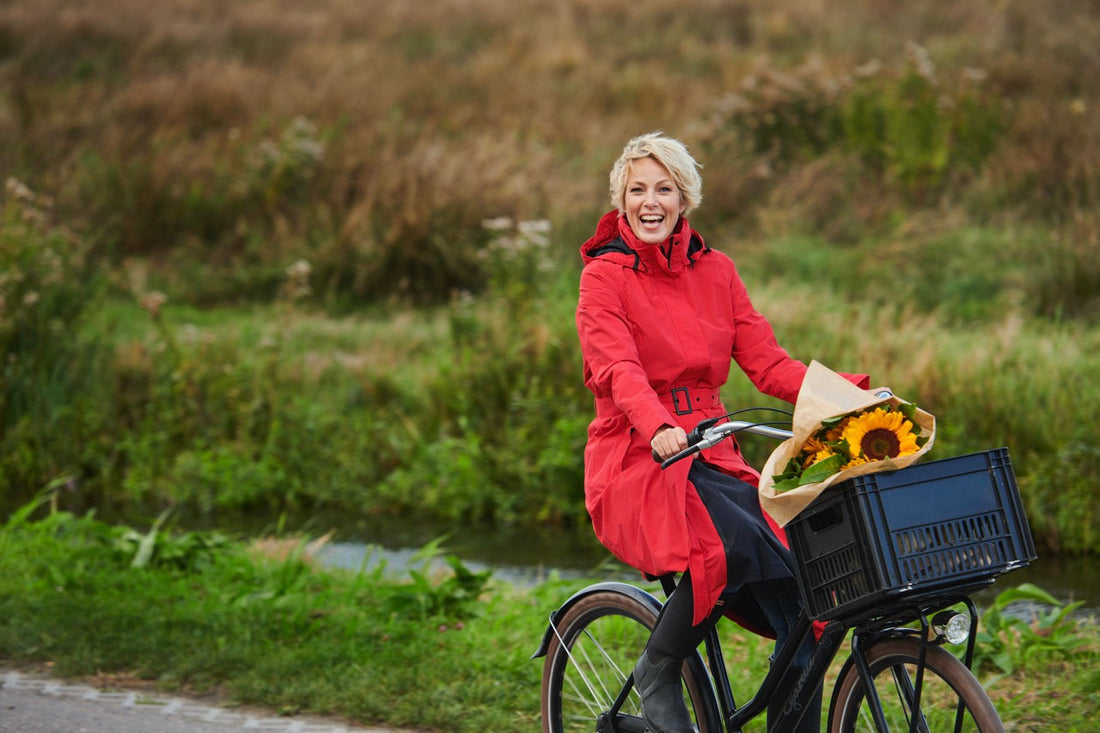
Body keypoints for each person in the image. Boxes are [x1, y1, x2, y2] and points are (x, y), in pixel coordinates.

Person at [574, 132, 869, 732]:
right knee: (727, 543)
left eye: (664, 189)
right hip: (639, 456)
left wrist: (850, 398)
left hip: (714, 449)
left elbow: (768, 363)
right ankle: (660, 666)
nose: (649, 202)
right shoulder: (604, 279)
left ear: (685, 199)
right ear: (621, 199)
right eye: (636, 190)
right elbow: (617, 369)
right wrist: (657, 424)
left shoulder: (717, 271)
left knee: (804, 583)